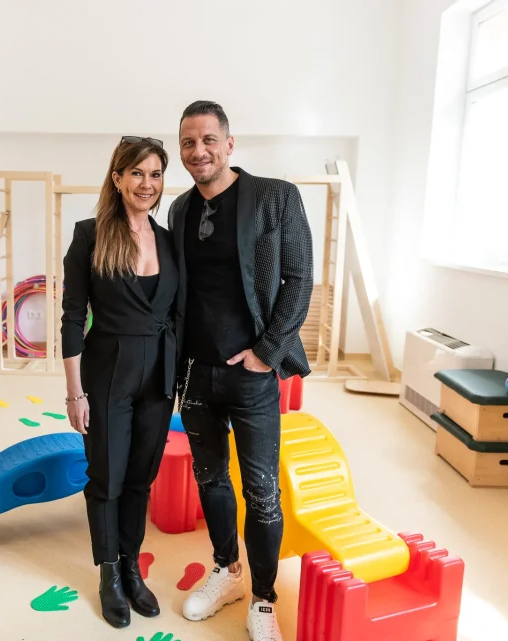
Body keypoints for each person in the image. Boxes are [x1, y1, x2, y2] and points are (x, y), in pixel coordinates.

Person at [167, 101, 313, 641]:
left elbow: (299, 278)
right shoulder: (179, 209)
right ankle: (227, 570)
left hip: (252, 373)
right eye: (188, 142)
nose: (198, 151)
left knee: (262, 490)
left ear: (229, 144)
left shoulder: (277, 197)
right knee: (210, 480)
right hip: (196, 374)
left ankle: (264, 598)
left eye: (209, 139)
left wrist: (266, 353)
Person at [60, 136, 178, 629]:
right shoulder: (90, 236)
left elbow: (179, 311)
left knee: (140, 478)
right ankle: (108, 572)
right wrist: (75, 393)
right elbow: (72, 317)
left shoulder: (168, 240)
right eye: (137, 173)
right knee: (107, 476)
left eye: (155, 174)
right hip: (107, 373)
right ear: (117, 178)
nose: (146, 184)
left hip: (159, 376)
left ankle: (131, 565)